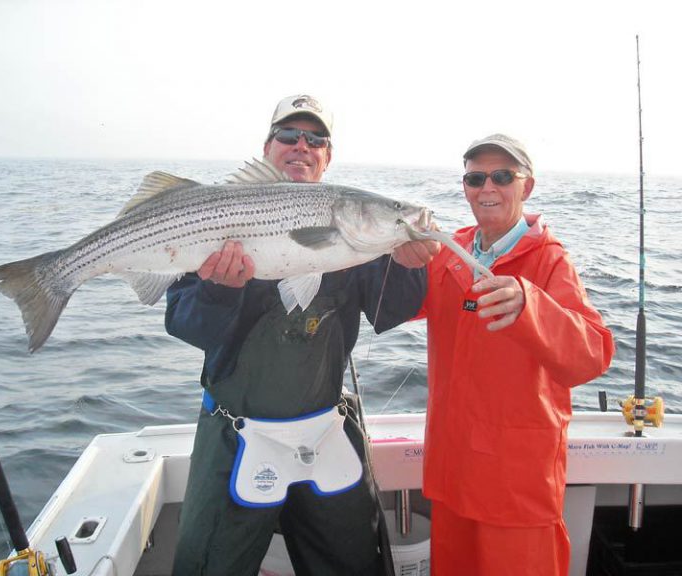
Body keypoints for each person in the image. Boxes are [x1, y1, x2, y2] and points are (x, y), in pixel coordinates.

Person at [164, 94, 441, 575]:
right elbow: (184, 323)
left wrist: (408, 265)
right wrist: (218, 291)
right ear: (268, 146)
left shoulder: (355, 230)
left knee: (354, 564)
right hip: (235, 435)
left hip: (325, 429)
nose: (301, 146)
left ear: (327, 157)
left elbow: (391, 308)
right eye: (288, 135)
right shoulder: (220, 212)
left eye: (316, 139)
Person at [406, 134, 615, 576]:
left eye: (502, 176)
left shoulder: (551, 262)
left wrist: (530, 304)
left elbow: (593, 353)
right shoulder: (447, 251)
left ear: (527, 186)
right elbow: (397, 304)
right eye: (475, 178)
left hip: (516, 486)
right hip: (451, 474)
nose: (487, 188)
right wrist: (397, 256)